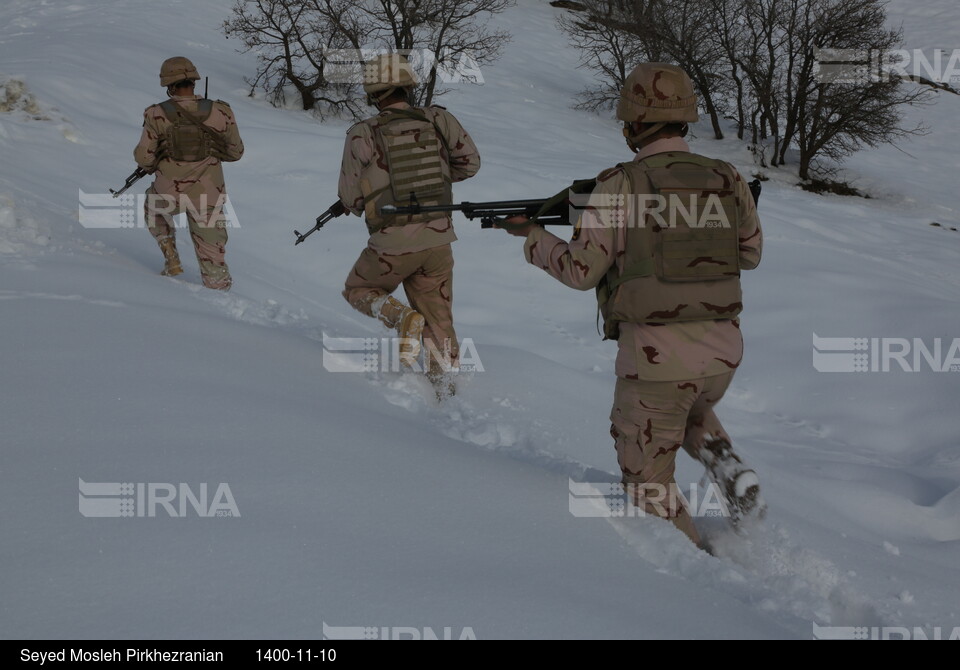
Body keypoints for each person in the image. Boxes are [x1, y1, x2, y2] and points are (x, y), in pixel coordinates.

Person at [499, 63, 764, 550]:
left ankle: (698, 580)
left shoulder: (620, 184)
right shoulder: (728, 177)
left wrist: (533, 236)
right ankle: (727, 466)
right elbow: (749, 254)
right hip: (723, 354)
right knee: (686, 410)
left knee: (646, 483)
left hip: (656, 359)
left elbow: (581, 272)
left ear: (638, 122)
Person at [338, 53, 480, 396]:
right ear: (407, 86)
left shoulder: (363, 132)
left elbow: (350, 198)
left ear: (374, 93)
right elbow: (470, 164)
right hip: (438, 240)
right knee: (439, 316)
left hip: (392, 243)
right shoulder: (437, 119)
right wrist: (437, 183)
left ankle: (401, 317)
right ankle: (446, 388)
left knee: (358, 290)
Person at [134, 57, 244, 290]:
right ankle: (219, 294)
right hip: (209, 196)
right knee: (213, 253)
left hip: (168, 193)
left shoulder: (155, 114)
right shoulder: (221, 112)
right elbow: (236, 153)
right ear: (194, 81)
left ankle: (171, 255)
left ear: (168, 85)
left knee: (152, 207)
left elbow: (144, 158)